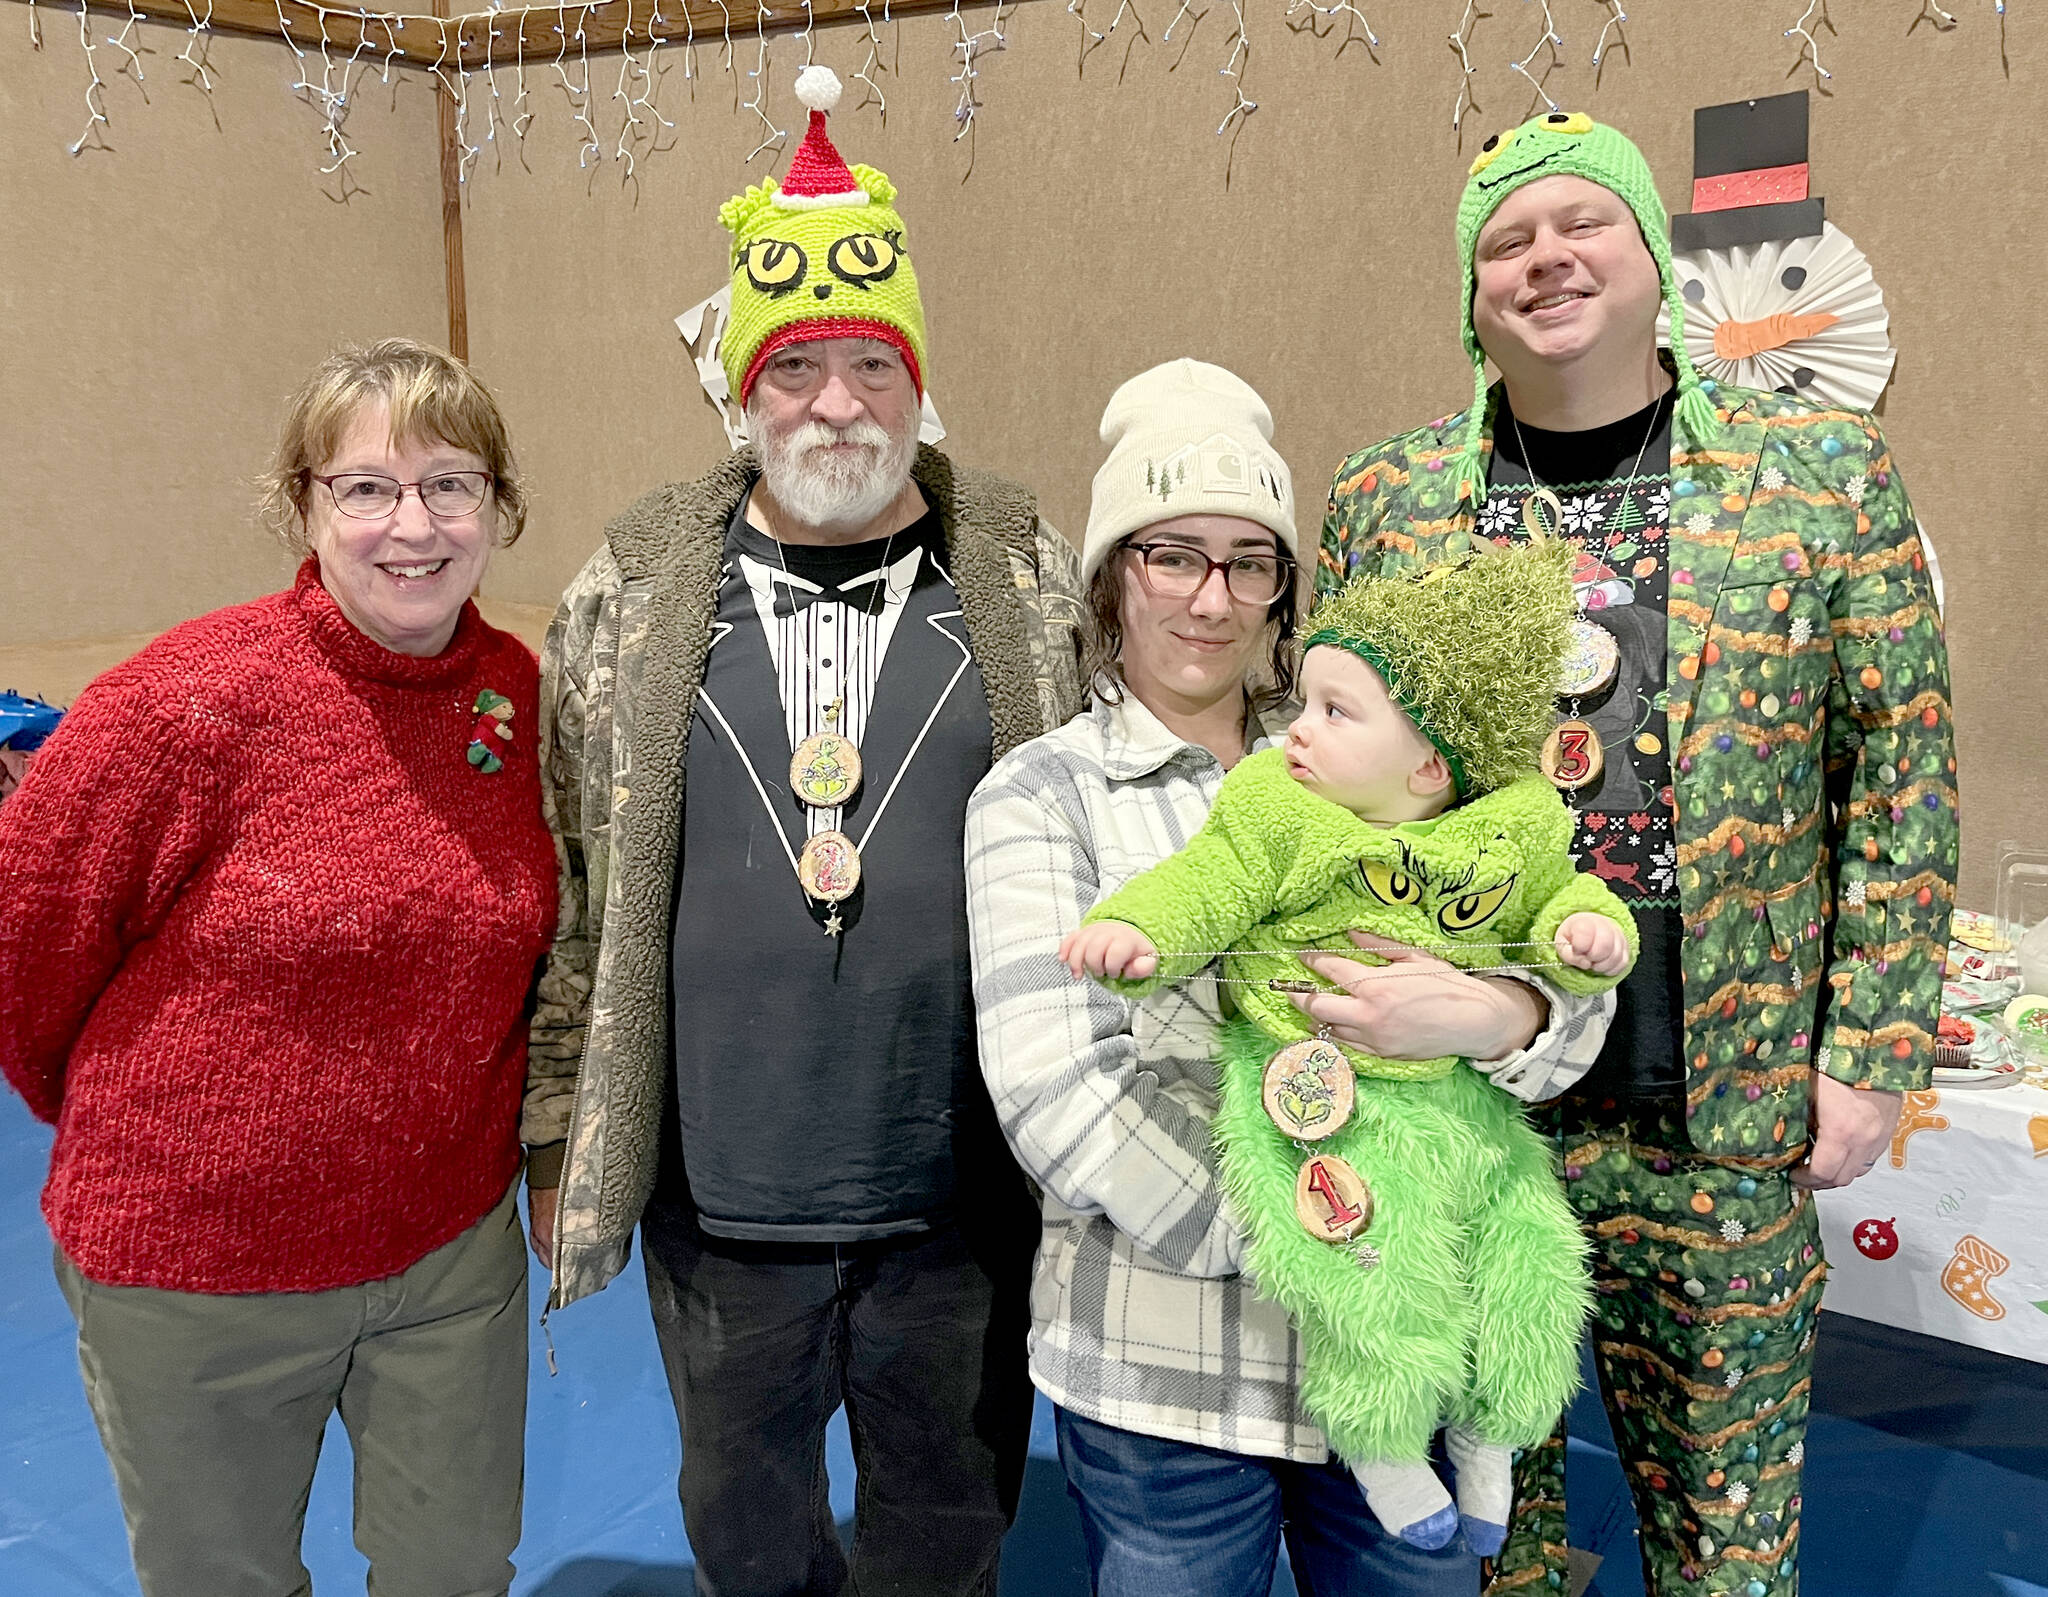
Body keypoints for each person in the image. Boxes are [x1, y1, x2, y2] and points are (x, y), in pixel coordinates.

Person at [1319, 112, 1957, 1595]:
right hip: (1468, 1110)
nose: (1547, 261)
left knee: (1727, 1547)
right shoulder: (1389, 502)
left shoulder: (1822, 479)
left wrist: (1869, 1049)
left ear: (1651, 254)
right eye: (1506, 241)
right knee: (1490, 1542)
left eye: (1580, 224)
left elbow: (1903, 777)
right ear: (1470, 295)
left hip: (1720, 1121)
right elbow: (1349, 789)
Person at [519, 65, 1085, 1597]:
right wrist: (562, 1126)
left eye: (870, 368)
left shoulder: (1024, 569)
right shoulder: (629, 593)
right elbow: (573, 879)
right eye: (797, 370)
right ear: (746, 390)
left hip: (960, 1185)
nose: (835, 404)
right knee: (747, 1536)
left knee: (950, 1526)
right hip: (727, 1193)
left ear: (918, 383)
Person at [964, 357, 1618, 1596]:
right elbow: (1059, 1095)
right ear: (1112, 575)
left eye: (1248, 561)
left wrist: (1498, 1009)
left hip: (1408, 1370)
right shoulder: (1041, 794)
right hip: (1169, 1372)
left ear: (1283, 586)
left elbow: (1565, 984)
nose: (1213, 600)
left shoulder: (1385, 749)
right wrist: (1336, 1233)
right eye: (1172, 555)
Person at [0, 337, 558, 1597]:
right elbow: (22, 941)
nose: (411, 524)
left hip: (443, 1257)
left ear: (498, 507)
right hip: (196, 1270)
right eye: (365, 487)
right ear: (302, 505)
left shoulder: (520, 701)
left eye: (451, 483)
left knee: (455, 1569)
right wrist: (150, 1137)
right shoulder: (183, 706)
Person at [1060, 537, 1635, 1556]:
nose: (1297, 733)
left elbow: (1565, 908)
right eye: (1307, 704)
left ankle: (1492, 1435)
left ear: (1427, 761)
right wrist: (1142, 931)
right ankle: (1380, 1442)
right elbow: (1208, 884)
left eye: (1333, 712)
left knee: (1532, 1258)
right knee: (1377, 1268)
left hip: (1459, 1106)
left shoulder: (1506, 828)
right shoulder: (1279, 814)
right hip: (1318, 1103)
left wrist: (1578, 947)